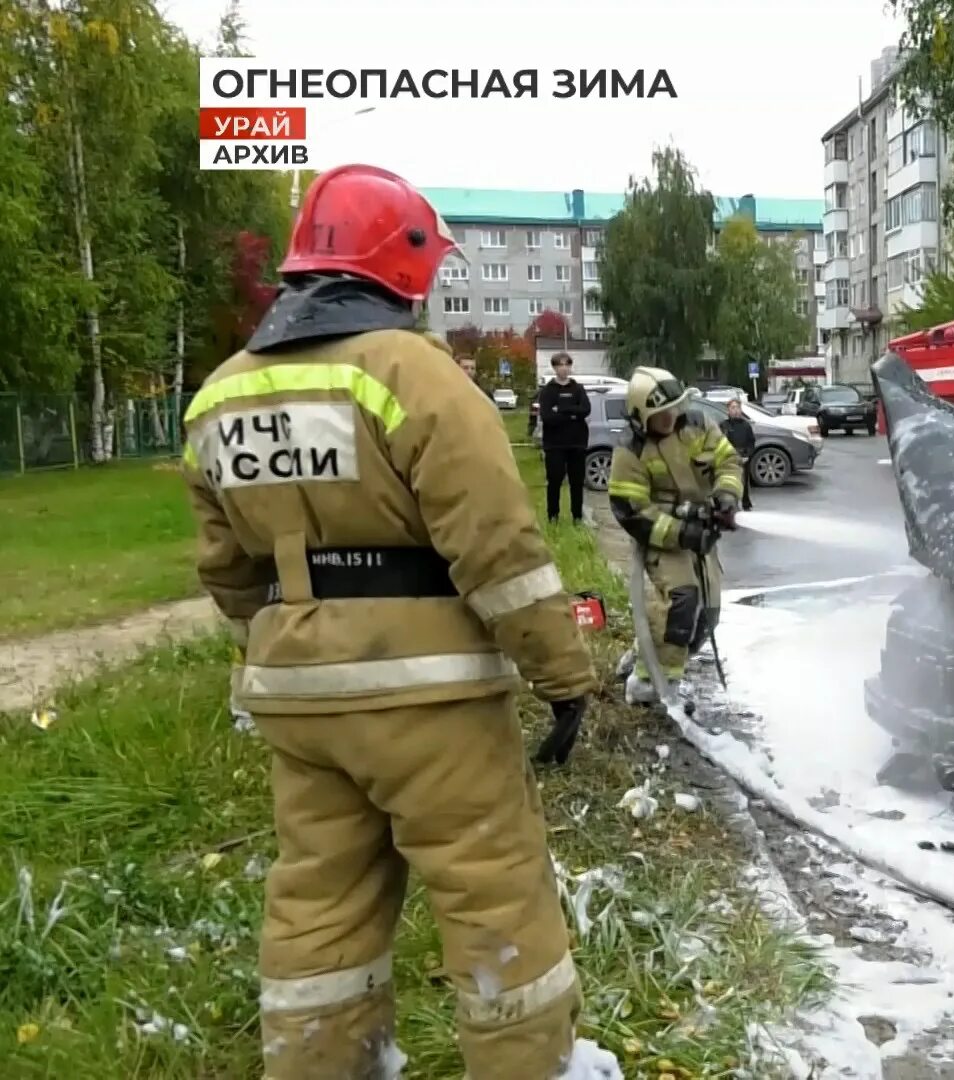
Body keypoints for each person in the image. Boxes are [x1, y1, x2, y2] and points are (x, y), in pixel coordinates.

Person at [179, 163, 598, 1080]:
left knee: (319, 906)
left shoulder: (217, 397)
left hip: (299, 704)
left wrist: (292, 645)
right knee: (494, 897)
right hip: (430, 701)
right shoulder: (413, 373)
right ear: (404, 261)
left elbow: (227, 574)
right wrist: (564, 678)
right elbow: (498, 552)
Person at [606, 368, 744, 705]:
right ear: (642, 416)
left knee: (707, 615)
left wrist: (726, 497)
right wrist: (684, 533)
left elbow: (729, 462)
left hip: (700, 536)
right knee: (683, 601)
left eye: (674, 408)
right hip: (662, 538)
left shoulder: (697, 425)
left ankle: (646, 653)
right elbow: (632, 510)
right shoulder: (632, 450)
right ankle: (647, 685)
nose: (670, 417)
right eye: (660, 414)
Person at [534, 354, 592, 523]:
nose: (564, 368)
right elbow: (547, 417)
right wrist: (573, 414)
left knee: (577, 482)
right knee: (554, 481)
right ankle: (553, 516)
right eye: (560, 365)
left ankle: (577, 517)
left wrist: (560, 409)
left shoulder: (578, 388)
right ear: (554, 368)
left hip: (577, 443)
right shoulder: (547, 391)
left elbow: (586, 410)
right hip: (555, 445)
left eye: (567, 365)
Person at [719, 397, 756, 511]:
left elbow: (751, 442)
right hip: (729, 458)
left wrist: (747, 455)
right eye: (733, 407)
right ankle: (730, 505)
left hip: (743, 457)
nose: (735, 410)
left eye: (738, 407)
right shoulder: (723, 425)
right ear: (728, 410)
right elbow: (720, 442)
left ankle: (746, 503)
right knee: (729, 483)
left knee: (744, 482)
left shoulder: (746, 425)